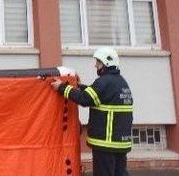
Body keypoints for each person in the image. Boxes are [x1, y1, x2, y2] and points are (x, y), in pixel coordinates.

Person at [51, 47, 133, 176]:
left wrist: (61, 87)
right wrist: (79, 86)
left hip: (106, 143)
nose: (95, 66)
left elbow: (85, 99)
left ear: (106, 63)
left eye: (98, 62)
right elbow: (97, 94)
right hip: (120, 143)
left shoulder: (104, 82)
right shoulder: (120, 82)